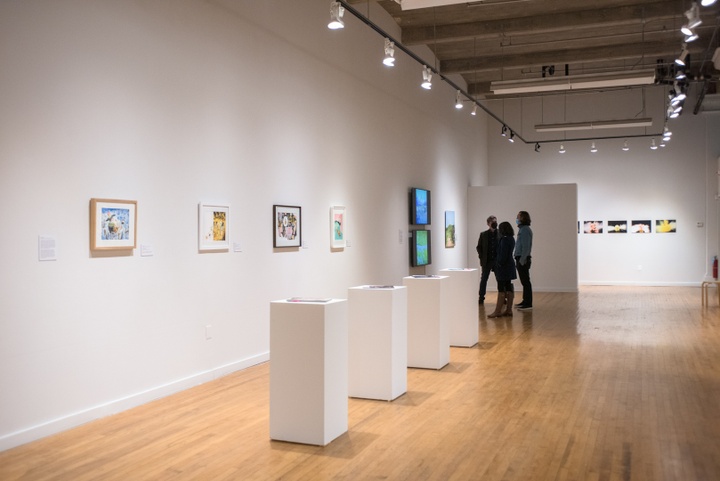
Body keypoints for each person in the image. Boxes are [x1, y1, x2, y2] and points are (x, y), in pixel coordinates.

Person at [487, 221, 517, 318]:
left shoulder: (504, 240)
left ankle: (498, 311)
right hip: (509, 265)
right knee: (508, 286)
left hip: (503, 267)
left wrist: (498, 264)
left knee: (501, 288)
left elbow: (502, 256)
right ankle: (508, 310)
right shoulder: (511, 238)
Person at [475, 215, 497, 304]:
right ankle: (481, 297)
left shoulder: (500, 233)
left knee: (500, 279)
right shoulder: (483, 234)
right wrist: (481, 256)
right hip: (486, 261)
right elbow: (479, 247)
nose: (495, 223)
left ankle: (503, 298)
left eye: (495, 221)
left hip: (496, 260)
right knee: (484, 279)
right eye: (492, 222)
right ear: (488, 224)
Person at [514, 210, 533, 310]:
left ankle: (528, 303)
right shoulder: (523, 229)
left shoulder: (525, 230)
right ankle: (525, 301)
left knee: (525, 281)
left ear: (523, 218)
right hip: (521, 258)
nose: (516, 219)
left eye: (518, 217)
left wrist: (522, 260)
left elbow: (526, 247)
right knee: (524, 281)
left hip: (523, 259)